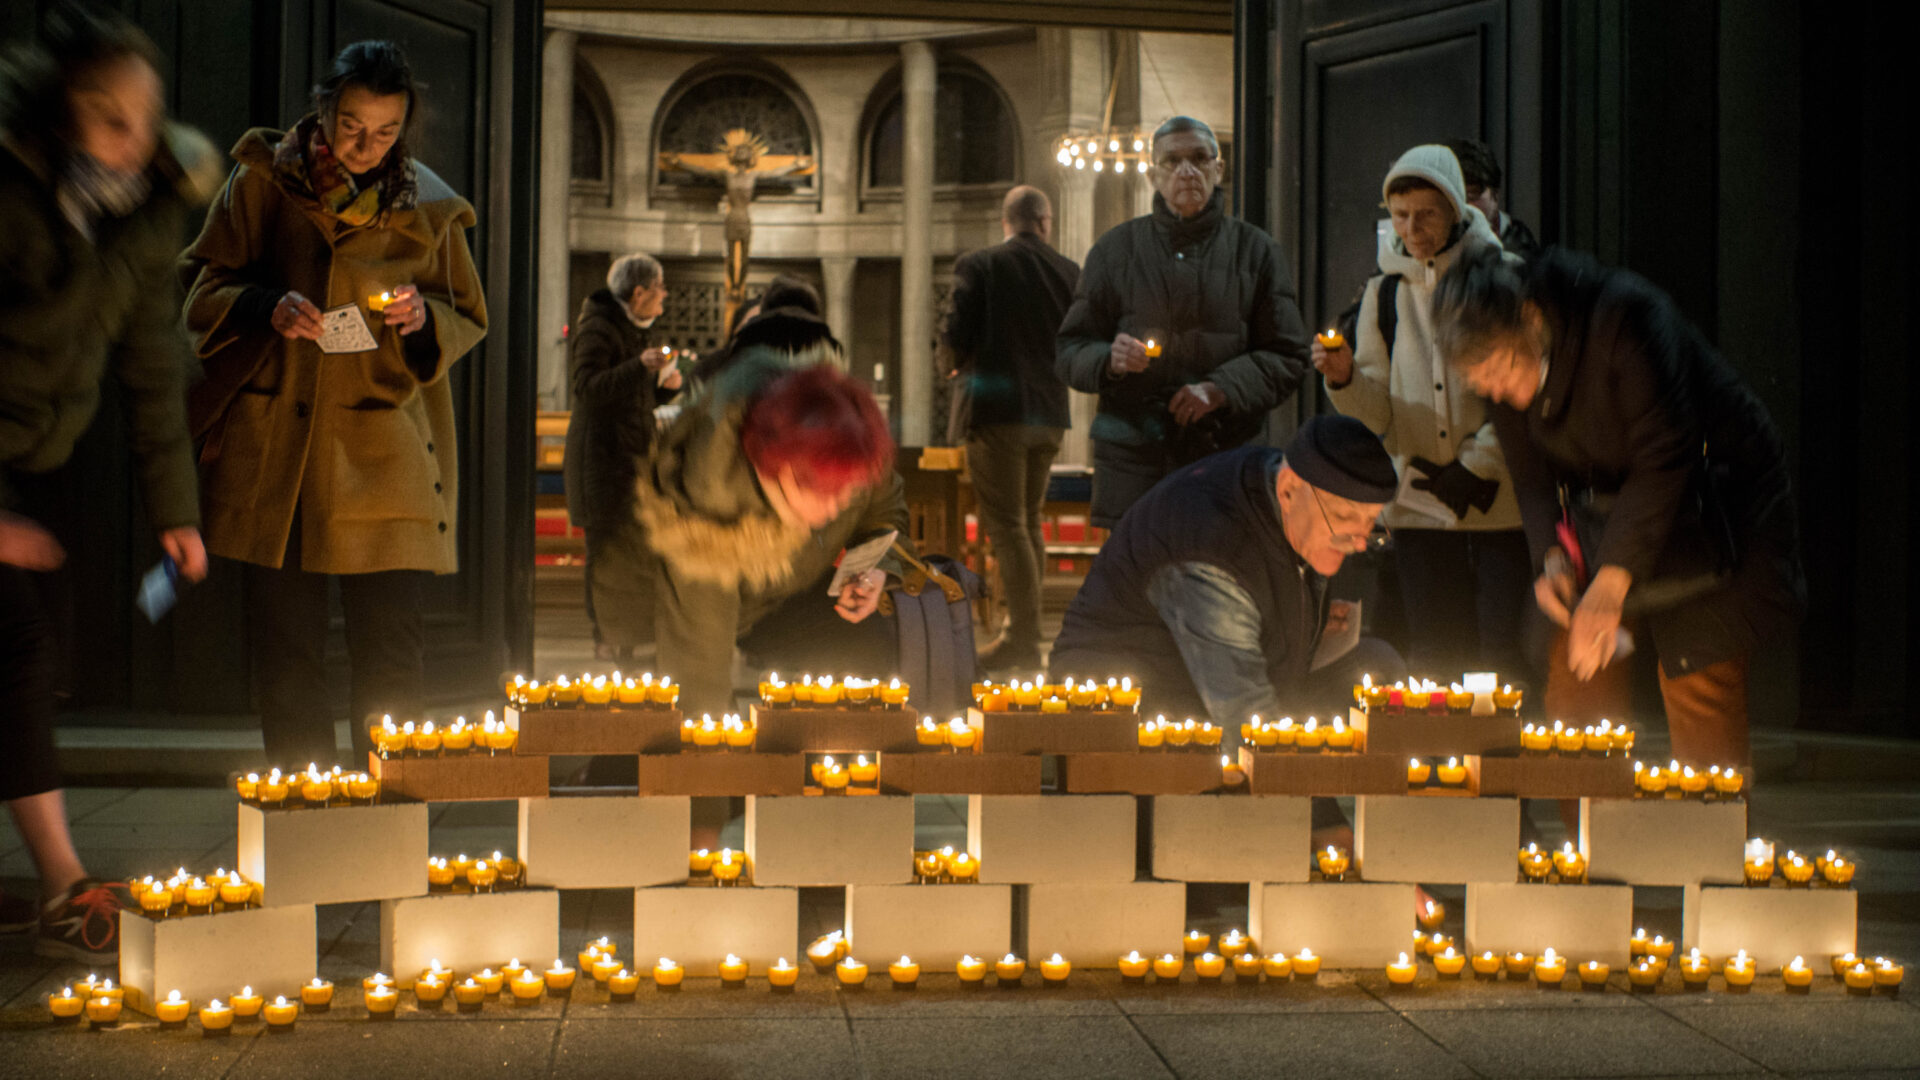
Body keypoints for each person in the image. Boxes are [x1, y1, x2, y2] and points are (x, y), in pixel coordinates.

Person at [180, 41, 488, 768]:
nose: (365, 146)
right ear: (323, 110)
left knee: (391, 660)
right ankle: (304, 817)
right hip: (281, 456)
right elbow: (198, 289)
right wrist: (263, 305)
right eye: (352, 125)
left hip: (386, 457)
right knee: (288, 660)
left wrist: (422, 321)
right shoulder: (262, 183)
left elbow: (467, 314)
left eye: (385, 132)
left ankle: (388, 820)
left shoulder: (431, 208)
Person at [0, 2, 215, 960]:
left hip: (38, 461)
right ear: (55, 111)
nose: (133, 142)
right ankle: (60, 884)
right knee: (14, 645)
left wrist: (176, 514)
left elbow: (152, 369)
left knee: (27, 652)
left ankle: (55, 883)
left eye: (145, 115)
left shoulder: (149, 208)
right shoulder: (7, 193)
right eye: (106, 116)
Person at [1435, 244, 1803, 768]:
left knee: (1697, 673)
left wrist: (1609, 586)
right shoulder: (1495, 368)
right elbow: (1533, 482)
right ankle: (1592, 837)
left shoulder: (1625, 319)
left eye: (1502, 369)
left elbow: (1665, 459)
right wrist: (1552, 561)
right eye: (1480, 382)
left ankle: (1706, 838)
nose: (1497, 390)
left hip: (1713, 509)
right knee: (1573, 665)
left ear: (1531, 318)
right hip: (1609, 516)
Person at [1316, 145, 1531, 681]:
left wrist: (1477, 465)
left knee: (1503, 656)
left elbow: (1523, 392)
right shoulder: (1383, 292)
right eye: (1400, 214)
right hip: (1421, 507)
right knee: (1435, 653)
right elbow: (1378, 414)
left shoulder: (1505, 276)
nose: (1412, 227)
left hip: (1498, 503)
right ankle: (1440, 761)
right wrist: (1343, 379)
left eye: (1426, 213)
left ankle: (1499, 762)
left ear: (1457, 209)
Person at [1049, 414, 1404, 726]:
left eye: (1369, 524)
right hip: (1134, 702)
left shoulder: (1281, 486)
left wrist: (1305, 625)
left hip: (1210, 676)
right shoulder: (1211, 548)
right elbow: (1243, 713)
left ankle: (1367, 798)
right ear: (1289, 490)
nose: (1359, 543)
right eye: (1343, 519)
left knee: (1375, 665)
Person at [1056, 115, 1310, 528]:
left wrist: (1221, 389)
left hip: (1224, 453)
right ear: (1154, 174)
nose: (1187, 171)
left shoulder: (1256, 252)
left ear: (1219, 168)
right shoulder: (1115, 250)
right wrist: (1110, 359)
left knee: (1216, 584)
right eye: (1172, 161)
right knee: (1136, 585)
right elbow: (1070, 351)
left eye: (1198, 159)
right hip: (1134, 460)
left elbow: (1289, 354)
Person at [627, 345, 906, 717]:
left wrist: (874, 567)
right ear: (784, 475)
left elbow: (883, 505)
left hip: (790, 590)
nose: (840, 504)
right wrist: (717, 754)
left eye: (849, 490)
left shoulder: (837, 443)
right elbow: (699, 671)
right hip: (682, 619)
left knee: (881, 634)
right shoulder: (710, 513)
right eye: (829, 495)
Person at [944, 185, 1080, 672]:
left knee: (1007, 527)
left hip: (997, 413)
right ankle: (1022, 632)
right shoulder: (1069, 272)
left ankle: (1022, 638)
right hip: (1048, 414)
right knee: (1029, 521)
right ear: (1045, 222)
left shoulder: (979, 265)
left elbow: (956, 329)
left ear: (1007, 222)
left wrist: (953, 361)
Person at [565, 254, 683, 660]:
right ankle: (607, 639)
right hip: (601, 462)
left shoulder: (630, 329)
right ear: (639, 292)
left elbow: (632, 397)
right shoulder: (599, 327)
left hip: (626, 460)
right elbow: (588, 388)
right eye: (660, 288)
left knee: (631, 551)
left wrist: (665, 387)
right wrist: (639, 366)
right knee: (606, 552)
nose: (664, 296)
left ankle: (627, 637)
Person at [1446, 137, 1538, 260]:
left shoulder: (1520, 248)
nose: (1462, 207)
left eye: (1471, 196)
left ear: (1495, 195)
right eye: (1452, 198)